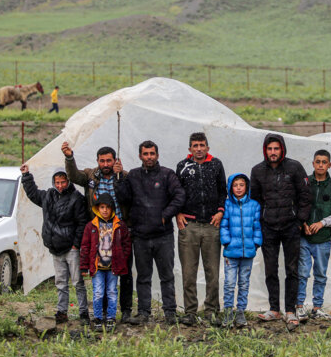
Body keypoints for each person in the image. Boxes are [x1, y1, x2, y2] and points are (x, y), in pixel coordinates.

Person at [62, 143, 134, 323]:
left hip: (119, 230)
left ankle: (125, 310)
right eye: (102, 161)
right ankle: (102, 313)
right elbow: (73, 175)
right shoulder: (90, 175)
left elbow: (130, 197)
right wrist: (70, 157)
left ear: (115, 160)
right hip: (98, 231)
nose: (106, 164)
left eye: (109, 160)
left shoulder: (124, 175)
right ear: (97, 162)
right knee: (100, 271)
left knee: (124, 272)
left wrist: (120, 177)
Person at [117, 140, 185, 325]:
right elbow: (123, 197)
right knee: (143, 276)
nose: (149, 157)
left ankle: (170, 312)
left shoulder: (167, 175)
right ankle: (144, 312)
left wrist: (165, 216)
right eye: (145, 154)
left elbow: (179, 196)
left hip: (163, 235)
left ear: (157, 155)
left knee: (167, 275)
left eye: (152, 153)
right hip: (140, 236)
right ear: (140, 156)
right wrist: (119, 176)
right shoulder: (132, 175)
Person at [249, 133, 311, 327]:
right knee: (270, 269)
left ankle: (290, 310)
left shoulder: (294, 167)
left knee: (292, 269)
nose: (273, 152)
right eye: (270, 149)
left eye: (276, 149)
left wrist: (300, 220)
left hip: (291, 226)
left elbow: (305, 196)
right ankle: (274, 309)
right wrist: (260, 222)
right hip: (268, 227)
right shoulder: (257, 171)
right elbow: (256, 200)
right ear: (265, 151)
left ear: (282, 149)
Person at [20, 164, 89, 325]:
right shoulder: (48, 196)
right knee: (60, 282)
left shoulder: (76, 198)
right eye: (57, 182)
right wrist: (26, 176)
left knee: (78, 282)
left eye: (63, 182)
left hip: (71, 248)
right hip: (55, 248)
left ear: (68, 181)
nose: (60, 185)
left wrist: (76, 245)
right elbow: (33, 194)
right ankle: (62, 311)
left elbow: (82, 223)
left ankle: (83, 312)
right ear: (53, 182)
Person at [175, 132, 227, 326]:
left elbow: (223, 190)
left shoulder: (216, 164)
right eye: (195, 145)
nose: (199, 149)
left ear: (207, 147)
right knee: (189, 272)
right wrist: (178, 213)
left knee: (212, 271)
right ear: (190, 149)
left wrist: (221, 211)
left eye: (202, 145)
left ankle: (211, 310)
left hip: (212, 225)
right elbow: (176, 192)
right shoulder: (182, 166)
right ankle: (190, 311)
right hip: (189, 226)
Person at [295, 150, 331, 322]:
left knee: (321, 273)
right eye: (318, 162)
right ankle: (299, 306)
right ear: (313, 163)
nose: (321, 165)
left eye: (324, 162)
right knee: (302, 272)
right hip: (304, 237)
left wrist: (322, 223)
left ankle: (317, 307)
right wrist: (303, 224)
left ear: (329, 165)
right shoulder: (305, 183)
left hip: (323, 238)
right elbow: (296, 205)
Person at [80, 193, 132, 331]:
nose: (105, 210)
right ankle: (97, 317)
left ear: (112, 209)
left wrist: (122, 259)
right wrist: (84, 266)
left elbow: (127, 245)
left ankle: (111, 318)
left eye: (108, 207)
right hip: (97, 267)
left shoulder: (120, 226)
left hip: (112, 267)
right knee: (97, 292)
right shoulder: (91, 226)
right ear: (97, 208)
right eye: (102, 207)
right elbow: (85, 247)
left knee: (112, 292)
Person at [220, 174, 262, 328]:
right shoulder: (226, 205)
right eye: (235, 185)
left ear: (247, 187)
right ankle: (228, 311)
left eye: (241, 185)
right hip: (231, 252)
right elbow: (223, 226)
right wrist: (226, 242)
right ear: (231, 187)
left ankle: (241, 311)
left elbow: (257, 227)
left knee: (244, 283)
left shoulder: (254, 205)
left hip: (248, 252)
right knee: (230, 283)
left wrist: (256, 243)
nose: (238, 188)